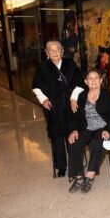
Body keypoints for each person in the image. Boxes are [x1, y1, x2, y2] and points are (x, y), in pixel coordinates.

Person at [32, 40, 84, 178]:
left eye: (57, 50)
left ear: (62, 51)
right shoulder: (43, 67)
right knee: (57, 137)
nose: (55, 52)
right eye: (51, 50)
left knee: (71, 135)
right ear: (47, 53)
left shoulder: (70, 64)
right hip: (53, 107)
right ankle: (61, 166)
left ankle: (75, 165)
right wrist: (43, 99)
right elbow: (36, 87)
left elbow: (80, 83)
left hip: (70, 106)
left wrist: (73, 97)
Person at [67, 69, 110, 193]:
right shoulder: (81, 96)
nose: (93, 81)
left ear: (101, 81)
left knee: (97, 142)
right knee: (74, 142)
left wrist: (108, 131)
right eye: (90, 78)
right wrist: (74, 130)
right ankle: (79, 177)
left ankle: (90, 175)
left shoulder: (108, 95)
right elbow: (74, 116)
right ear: (86, 82)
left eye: (96, 78)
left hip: (103, 127)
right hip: (86, 127)